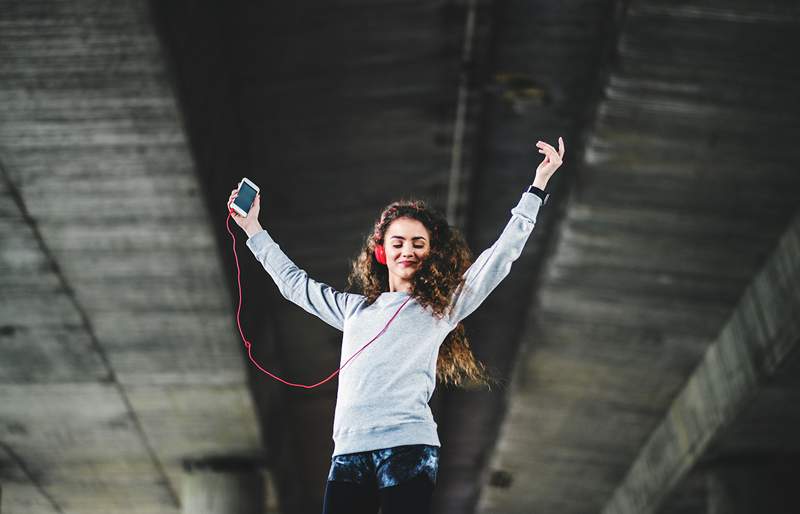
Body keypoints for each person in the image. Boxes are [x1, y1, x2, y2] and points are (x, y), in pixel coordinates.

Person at [227, 137, 565, 514]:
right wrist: (253, 229)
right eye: (399, 242)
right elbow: (295, 285)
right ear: (381, 252)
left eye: (418, 243)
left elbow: (500, 257)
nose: (408, 251)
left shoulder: (441, 308)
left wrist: (538, 186)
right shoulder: (352, 310)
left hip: (409, 448)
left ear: (429, 253)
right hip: (349, 452)